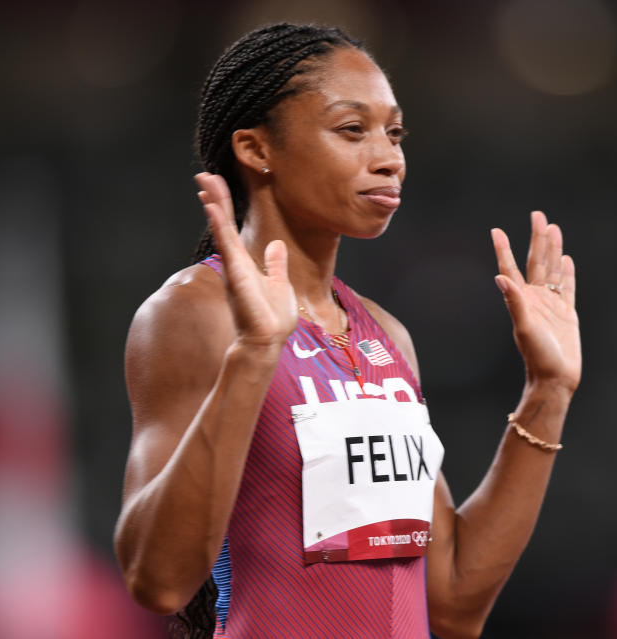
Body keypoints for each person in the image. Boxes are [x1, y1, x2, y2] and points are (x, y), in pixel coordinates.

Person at [114, 23, 582, 639]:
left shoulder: (385, 336)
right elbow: (158, 579)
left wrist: (548, 392)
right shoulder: (195, 312)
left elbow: (454, 598)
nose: (389, 158)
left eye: (394, 132)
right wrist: (256, 354)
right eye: (352, 130)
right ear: (257, 150)